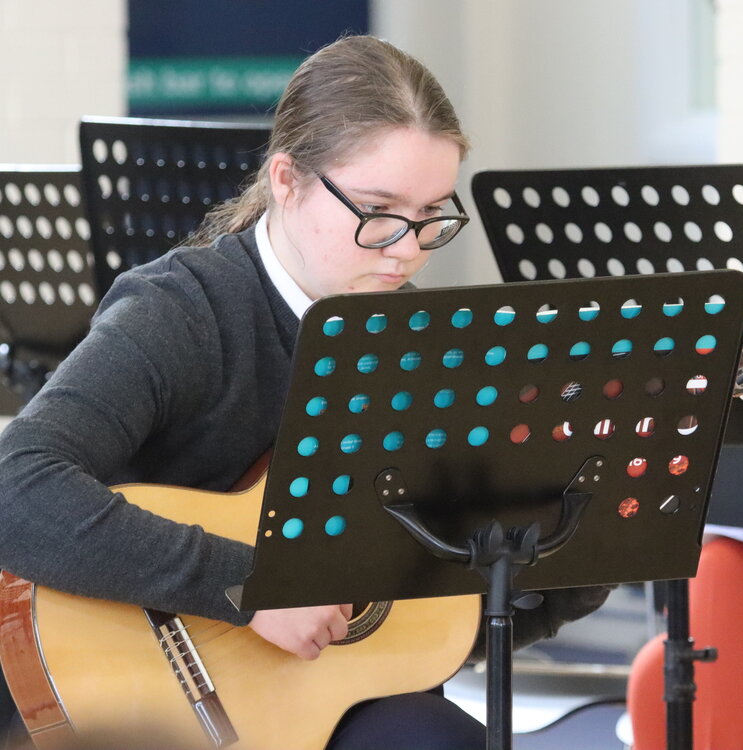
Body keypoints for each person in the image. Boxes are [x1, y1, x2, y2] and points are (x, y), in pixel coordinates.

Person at [0, 35, 612, 750]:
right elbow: (18, 489)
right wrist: (251, 587)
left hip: (326, 689)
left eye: (431, 216)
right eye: (378, 210)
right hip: (148, 688)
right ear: (287, 180)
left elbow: (471, 606)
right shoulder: (180, 312)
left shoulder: (424, 345)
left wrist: (578, 529)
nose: (407, 248)